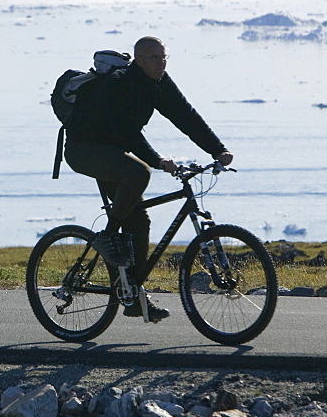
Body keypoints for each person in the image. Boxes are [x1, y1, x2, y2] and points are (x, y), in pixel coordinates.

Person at [63, 36, 233, 322]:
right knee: (139, 171)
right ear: (138, 59)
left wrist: (218, 148)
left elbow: (186, 116)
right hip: (85, 149)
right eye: (154, 58)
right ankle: (106, 238)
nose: (161, 63)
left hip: (115, 151)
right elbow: (126, 132)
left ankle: (132, 296)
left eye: (164, 57)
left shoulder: (160, 82)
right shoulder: (120, 83)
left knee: (139, 221)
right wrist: (157, 160)